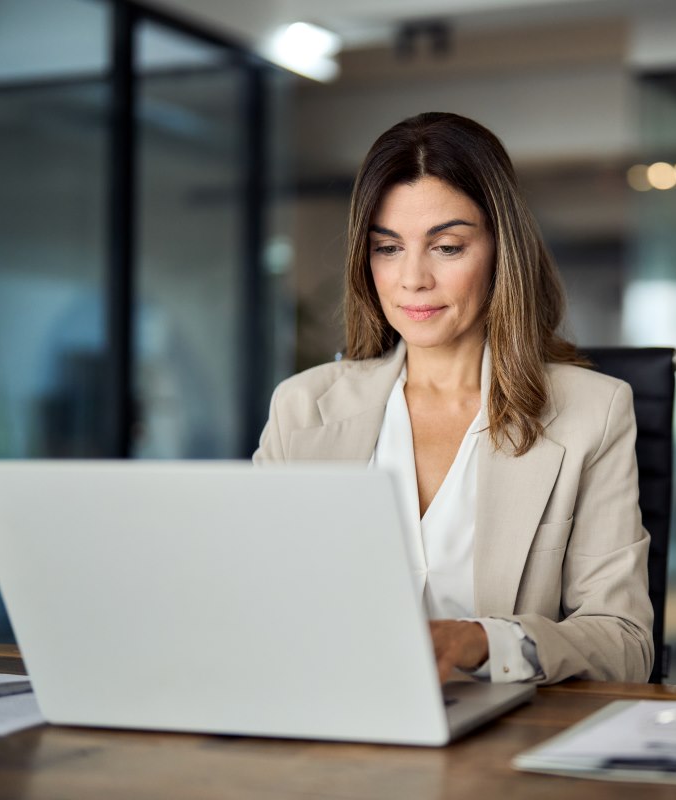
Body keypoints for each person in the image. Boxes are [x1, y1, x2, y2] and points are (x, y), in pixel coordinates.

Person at [253, 112, 652, 685]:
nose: (413, 278)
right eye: (388, 249)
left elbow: (625, 644)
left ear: (498, 252)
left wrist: (483, 641)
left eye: (446, 246)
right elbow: (250, 598)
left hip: (501, 741)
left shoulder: (593, 412)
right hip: (332, 727)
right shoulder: (302, 408)